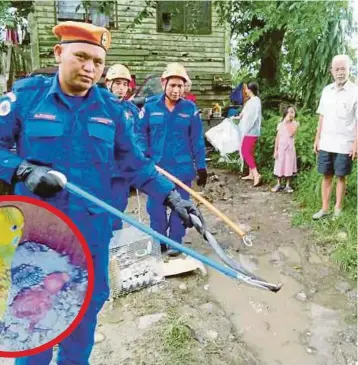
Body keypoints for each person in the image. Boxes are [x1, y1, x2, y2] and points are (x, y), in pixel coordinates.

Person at [0, 21, 203, 365]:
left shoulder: (111, 110)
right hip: (39, 236)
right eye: (81, 57)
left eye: (97, 61)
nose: (90, 68)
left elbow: (136, 165)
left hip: (90, 236)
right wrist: (22, 169)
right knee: (37, 326)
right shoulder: (26, 96)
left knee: (81, 326)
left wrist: (173, 198)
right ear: (59, 53)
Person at [136, 62, 207, 256]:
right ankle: (160, 241)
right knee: (156, 209)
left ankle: (176, 242)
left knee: (180, 211)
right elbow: (141, 134)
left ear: (185, 87)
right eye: (172, 85)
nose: (176, 90)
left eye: (180, 86)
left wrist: (201, 167)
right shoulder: (150, 107)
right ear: (163, 83)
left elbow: (197, 140)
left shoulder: (190, 109)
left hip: (182, 171)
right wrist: (143, 155)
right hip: (157, 172)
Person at [313, 54, 357, 220]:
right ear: (331, 71)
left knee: (341, 176)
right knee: (326, 175)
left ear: (348, 70)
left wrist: (356, 145)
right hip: (326, 142)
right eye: (337, 69)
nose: (340, 72)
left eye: (343, 69)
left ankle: (337, 209)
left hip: (345, 143)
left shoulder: (355, 91)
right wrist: (317, 139)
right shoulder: (327, 91)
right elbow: (321, 117)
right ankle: (324, 208)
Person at [105, 63, 139, 230]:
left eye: (125, 84)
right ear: (108, 84)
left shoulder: (131, 110)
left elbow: (138, 137)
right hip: (99, 168)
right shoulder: (97, 106)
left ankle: (114, 247)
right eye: (117, 83)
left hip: (121, 171)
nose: (121, 88)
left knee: (117, 210)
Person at [235, 81, 262, 186]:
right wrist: (239, 117)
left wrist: (246, 127)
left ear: (249, 90)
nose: (245, 90)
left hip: (251, 131)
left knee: (245, 151)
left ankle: (256, 174)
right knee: (249, 152)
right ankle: (251, 174)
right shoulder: (251, 101)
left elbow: (252, 117)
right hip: (248, 130)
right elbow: (244, 114)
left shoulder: (255, 101)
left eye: (246, 88)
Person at [271, 105, 299, 193]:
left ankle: (288, 185)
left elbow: (291, 133)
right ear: (285, 113)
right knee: (280, 165)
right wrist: (275, 150)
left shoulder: (295, 123)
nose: (290, 114)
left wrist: (287, 123)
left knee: (288, 165)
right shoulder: (281, 123)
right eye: (288, 112)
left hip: (289, 149)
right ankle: (278, 183)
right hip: (281, 148)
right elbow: (277, 137)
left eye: (292, 112)